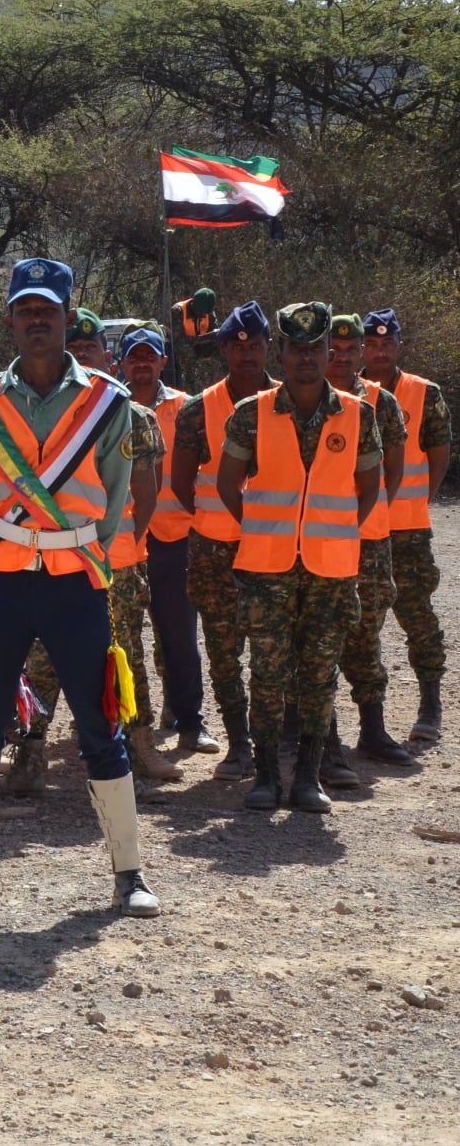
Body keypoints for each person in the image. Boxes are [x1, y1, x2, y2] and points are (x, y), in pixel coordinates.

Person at [0, 258, 158, 917]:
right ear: (11, 320)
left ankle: (129, 873)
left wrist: (77, 550)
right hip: (5, 579)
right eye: (26, 310)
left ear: (69, 314)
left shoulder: (109, 402)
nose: (38, 320)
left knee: (102, 725)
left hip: (76, 580)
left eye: (48, 309)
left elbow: (112, 503)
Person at [218, 303, 381, 812]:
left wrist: (334, 534)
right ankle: (266, 775)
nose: (306, 358)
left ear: (328, 352)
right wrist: (263, 529)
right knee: (267, 672)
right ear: (281, 353)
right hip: (267, 568)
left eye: (315, 349)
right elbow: (228, 484)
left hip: (331, 569)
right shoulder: (251, 413)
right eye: (296, 349)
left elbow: (369, 489)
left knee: (318, 673)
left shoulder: (358, 414)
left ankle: (308, 777)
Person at [7, 314, 180, 792]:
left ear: (108, 357)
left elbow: (147, 494)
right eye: (75, 347)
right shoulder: (36, 413)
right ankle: (29, 757)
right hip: (49, 561)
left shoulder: (133, 414)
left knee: (125, 655)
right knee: (40, 658)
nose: (83, 355)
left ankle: (139, 750)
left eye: (91, 348)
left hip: (115, 562)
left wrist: (123, 542)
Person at [170, 301, 276, 781]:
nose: (246, 355)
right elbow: (180, 483)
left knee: (274, 648)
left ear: (268, 347)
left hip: (275, 550)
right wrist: (214, 521)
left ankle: (276, 738)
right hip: (214, 548)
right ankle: (239, 744)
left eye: (254, 346)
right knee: (223, 649)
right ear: (225, 352)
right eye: (237, 347)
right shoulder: (199, 409)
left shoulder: (292, 401)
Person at [323, 313, 410, 778]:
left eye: (348, 349)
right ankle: (323, 737)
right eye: (332, 351)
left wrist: (371, 515)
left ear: (360, 352)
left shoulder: (382, 402)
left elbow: (392, 470)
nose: (341, 358)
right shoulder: (308, 399)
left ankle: (372, 731)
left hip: (369, 540)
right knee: (321, 637)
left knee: (367, 634)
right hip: (319, 542)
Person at [124, 321, 215, 756]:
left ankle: (190, 722)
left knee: (179, 636)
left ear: (163, 360)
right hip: (121, 543)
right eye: (134, 356)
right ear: (120, 362)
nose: (142, 364)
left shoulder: (187, 407)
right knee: (122, 640)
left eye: (150, 356)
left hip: (173, 538)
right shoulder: (108, 406)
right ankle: (122, 726)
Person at [361, 308, 451, 742]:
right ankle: (367, 720)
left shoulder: (423, 393)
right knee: (361, 623)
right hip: (360, 528)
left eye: (386, 343)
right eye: (372, 344)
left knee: (416, 614)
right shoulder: (348, 391)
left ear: (399, 346)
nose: (379, 350)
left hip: (408, 527)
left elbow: (438, 449)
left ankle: (430, 702)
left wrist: (423, 497)